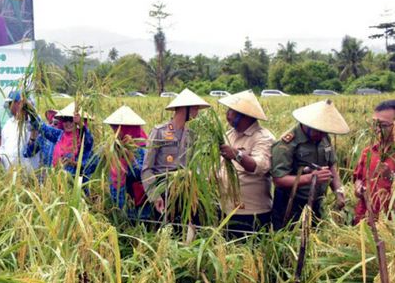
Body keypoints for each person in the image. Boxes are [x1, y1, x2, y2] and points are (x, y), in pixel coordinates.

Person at [270, 99, 348, 229]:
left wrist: (338, 192)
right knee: (291, 239)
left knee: (314, 238)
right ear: (306, 124)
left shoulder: (324, 137)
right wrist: (310, 178)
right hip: (291, 203)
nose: (321, 134)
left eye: (324, 131)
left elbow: (331, 166)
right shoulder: (287, 143)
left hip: (317, 201)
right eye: (318, 131)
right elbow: (278, 179)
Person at [142, 88, 210, 218]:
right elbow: (147, 169)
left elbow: (197, 165)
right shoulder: (160, 132)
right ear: (185, 109)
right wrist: (154, 195)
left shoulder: (193, 135)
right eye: (195, 109)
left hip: (187, 191)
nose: (197, 114)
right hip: (164, 190)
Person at [216, 90, 276, 235]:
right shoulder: (229, 135)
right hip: (226, 209)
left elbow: (258, 166)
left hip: (251, 212)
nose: (227, 115)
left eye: (231, 111)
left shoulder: (263, 138)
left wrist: (237, 154)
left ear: (244, 116)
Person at [27, 102, 96, 178]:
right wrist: (31, 111)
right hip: (57, 181)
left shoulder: (83, 137)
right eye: (65, 119)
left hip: (75, 184)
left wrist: (73, 163)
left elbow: (89, 166)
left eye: (71, 120)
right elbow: (42, 127)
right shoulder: (59, 135)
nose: (68, 123)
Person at [353, 100, 395, 224]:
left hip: (388, 223)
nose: (377, 129)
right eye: (375, 124)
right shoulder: (369, 151)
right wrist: (358, 188)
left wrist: (390, 176)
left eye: (383, 125)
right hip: (363, 220)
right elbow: (358, 178)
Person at [103, 105, 149, 220]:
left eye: (117, 129)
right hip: (118, 199)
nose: (115, 133)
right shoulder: (114, 147)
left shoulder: (142, 148)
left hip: (137, 201)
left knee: (136, 227)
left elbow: (144, 175)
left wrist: (131, 159)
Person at [0, 91, 39, 171]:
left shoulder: (33, 123)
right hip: (10, 175)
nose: (10, 106)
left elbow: (34, 147)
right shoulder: (8, 124)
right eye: (9, 103)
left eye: (12, 103)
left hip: (29, 175)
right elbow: (3, 147)